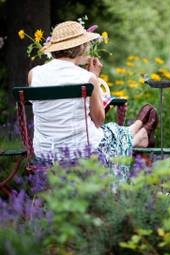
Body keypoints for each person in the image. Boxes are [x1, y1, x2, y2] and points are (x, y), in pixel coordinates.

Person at [28, 21, 158, 177]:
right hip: (81, 151)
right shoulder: (87, 78)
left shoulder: (34, 73)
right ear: (80, 47)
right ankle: (137, 135)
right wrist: (94, 78)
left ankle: (138, 133)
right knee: (110, 130)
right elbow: (98, 121)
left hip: (44, 152)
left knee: (109, 132)